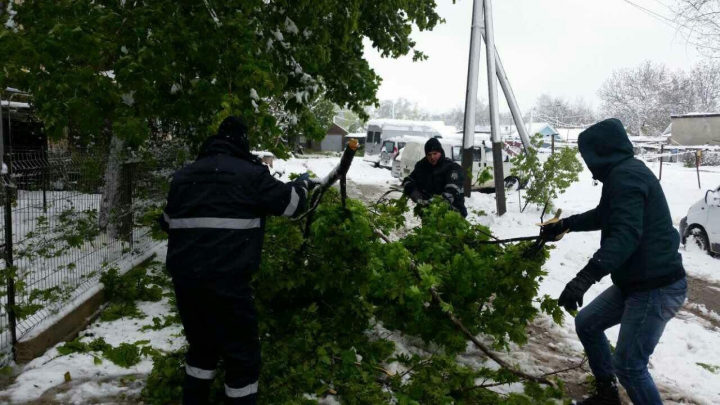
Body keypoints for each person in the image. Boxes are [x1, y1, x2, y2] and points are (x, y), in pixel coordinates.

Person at [158, 116, 317, 405]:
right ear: (243, 143)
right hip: (228, 284)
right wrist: (303, 185)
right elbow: (291, 205)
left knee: (202, 349)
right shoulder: (251, 174)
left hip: (187, 283)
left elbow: (167, 221)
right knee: (242, 357)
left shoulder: (183, 177)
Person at [541, 118, 687, 405]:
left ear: (600, 152)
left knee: (630, 366)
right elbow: (605, 214)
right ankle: (607, 396)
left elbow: (624, 236)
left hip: (656, 287)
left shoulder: (626, 177)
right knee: (588, 323)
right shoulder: (624, 173)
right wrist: (565, 225)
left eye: (587, 157)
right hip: (635, 283)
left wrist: (584, 278)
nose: (587, 164)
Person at [402, 137, 467, 217]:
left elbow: (452, 190)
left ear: (440, 152)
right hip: (429, 215)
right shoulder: (421, 167)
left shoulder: (452, 168)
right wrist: (413, 192)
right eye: (429, 154)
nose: (432, 157)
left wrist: (436, 201)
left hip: (452, 214)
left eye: (435, 153)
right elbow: (408, 180)